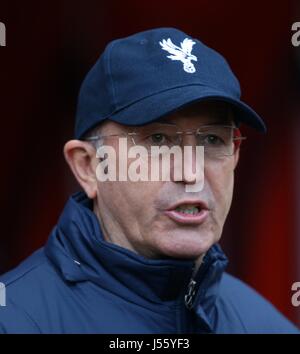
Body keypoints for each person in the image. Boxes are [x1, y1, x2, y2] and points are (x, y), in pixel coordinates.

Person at [0, 27, 298, 334]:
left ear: (235, 155)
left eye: (212, 139)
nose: (191, 174)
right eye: (158, 140)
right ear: (88, 166)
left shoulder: (264, 324)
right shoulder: (15, 320)